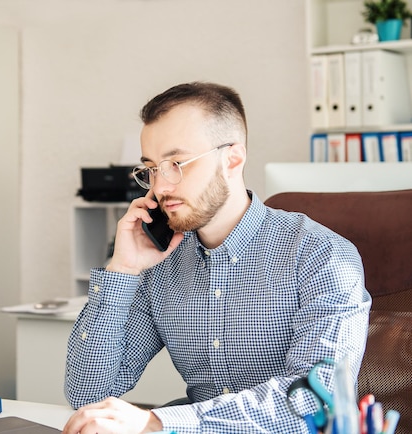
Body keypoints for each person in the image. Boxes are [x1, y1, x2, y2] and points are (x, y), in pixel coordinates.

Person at [62, 81, 371, 434]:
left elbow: (312, 400)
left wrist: (157, 422)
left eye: (177, 163)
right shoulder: (162, 262)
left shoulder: (322, 255)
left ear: (232, 159)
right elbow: (88, 392)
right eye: (151, 167)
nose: (160, 187)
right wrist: (123, 270)